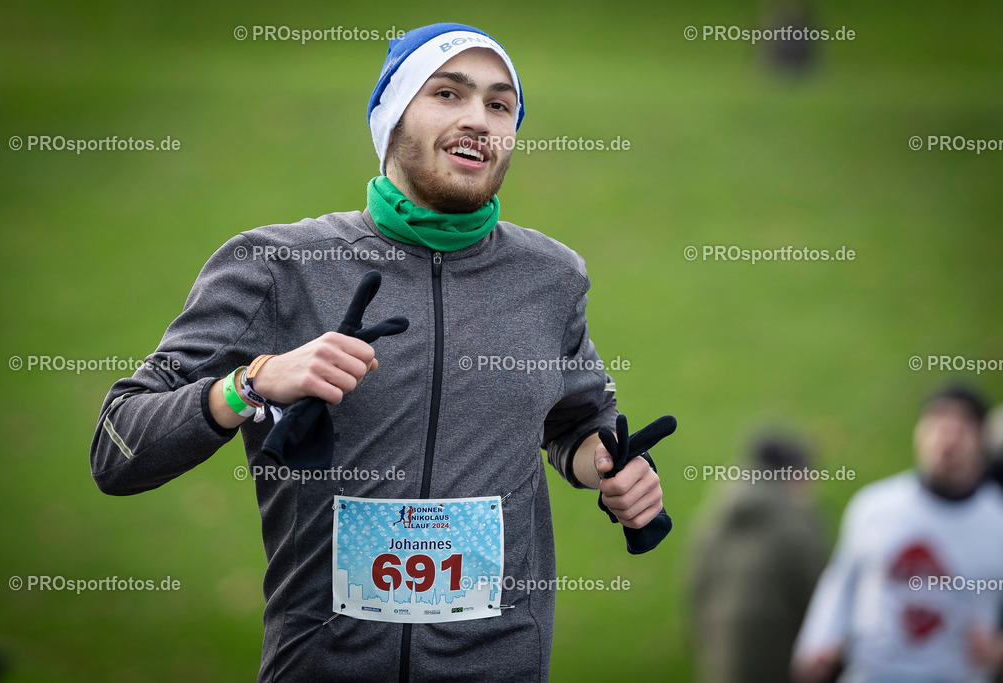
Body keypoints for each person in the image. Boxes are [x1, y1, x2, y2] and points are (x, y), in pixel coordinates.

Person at [89, 23, 669, 682]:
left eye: (499, 104)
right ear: (393, 118)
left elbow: (577, 422)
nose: (478, 119)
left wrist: (610, 466)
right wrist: (250, 384)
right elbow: (117, 449)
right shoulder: (276, 265)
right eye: (447, 94)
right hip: (322, 665)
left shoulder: (551, 276)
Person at [792, 385, 1003, 683]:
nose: (948, 441)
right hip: (874, 673)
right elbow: (842, 580)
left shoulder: (996, 519)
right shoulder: (875, 507)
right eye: (938, 426)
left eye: (961, 429)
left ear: (981, 439)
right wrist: (820, 641)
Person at [689, 433, 828, 683]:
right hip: (779, 666)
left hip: (722, 663)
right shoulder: (796, 524)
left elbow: (695, 588)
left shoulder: (715, 518)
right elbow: (821, 602)